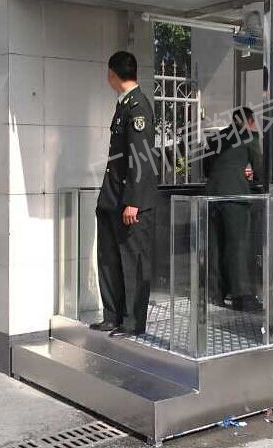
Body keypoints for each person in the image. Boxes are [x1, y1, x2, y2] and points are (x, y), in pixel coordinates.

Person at [90, 51, 157, 336]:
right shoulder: (124, 105)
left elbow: (141, 158)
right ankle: (112, 315)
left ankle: (132, 322)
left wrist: (133, 202)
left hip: (129, 202)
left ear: (112, 74)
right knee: (109, 259)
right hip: (112, 198)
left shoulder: (138, 107)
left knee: (132, 263)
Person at [204, 106, 263, 311]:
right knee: (237, 245)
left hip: (211, 195)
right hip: (235, 197)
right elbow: (259, 169)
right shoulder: (250, 136)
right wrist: (250, 178)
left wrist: (235, 171)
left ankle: (215, 294)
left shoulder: (215, 138)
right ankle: (241, 296)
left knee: (215, 245)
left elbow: (207, 169)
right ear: (249, 121)